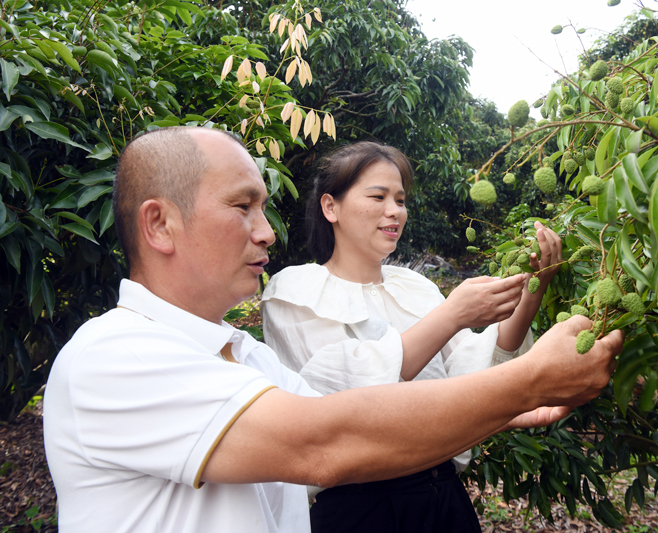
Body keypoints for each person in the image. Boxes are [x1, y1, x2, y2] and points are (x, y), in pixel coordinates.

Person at [43, 126, 623, 533]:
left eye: (264, 210)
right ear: (161, 224)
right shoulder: (114, 354)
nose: (266, 232)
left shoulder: (243, 356)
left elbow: (372, 416)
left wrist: (520, 398)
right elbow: (327, 443)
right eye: (242, 206)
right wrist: (526, 383)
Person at [260, 141, 564, 532]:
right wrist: (452, 315)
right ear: (330, 207)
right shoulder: (293, 292)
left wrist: (534, 290)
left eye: (400, 200)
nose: (394, 211)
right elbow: (343, 400)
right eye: (378, 196)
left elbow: (475, 370)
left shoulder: (415, 287)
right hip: (360, 508)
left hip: (443, 496)